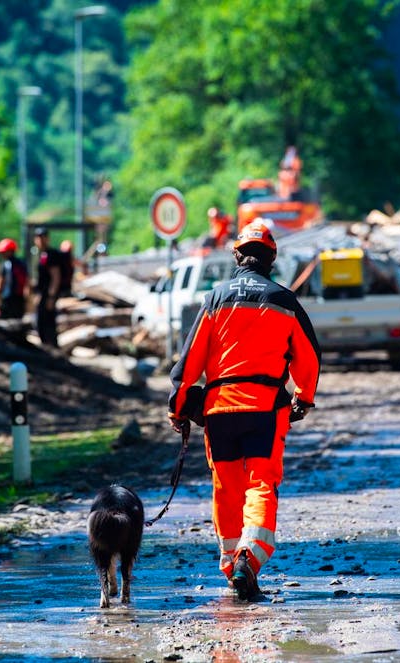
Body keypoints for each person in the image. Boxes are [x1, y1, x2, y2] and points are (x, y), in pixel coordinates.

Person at [167, 219, 321, 601]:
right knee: (260, 484)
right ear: (272, 258)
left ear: (236, 255)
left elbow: (188, 363)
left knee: (227, 488)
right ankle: (248, 559)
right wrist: (303, 395)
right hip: (265, 410)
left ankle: (232, 561)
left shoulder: (215, 299)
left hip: (219, 411)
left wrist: (179, 405)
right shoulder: (284, 300)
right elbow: (309, 358)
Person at [32, 228, 64, 346]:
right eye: (38, 237)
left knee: (47, 324)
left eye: (43, 237)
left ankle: (52, 350)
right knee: (41, 323)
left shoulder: (51, 255)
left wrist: (51, 297)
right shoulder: (41, 255)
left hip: (48, 295)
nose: (40, 240)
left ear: (47, 238)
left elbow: (56, 277)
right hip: (43, 294)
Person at [0, 237, 28, 319]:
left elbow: (0, 283)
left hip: (8, 300)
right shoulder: (22, 263)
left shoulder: (6, 265)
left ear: (10, 251)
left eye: (3, 252)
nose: (1, 254)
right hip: (20, 300)